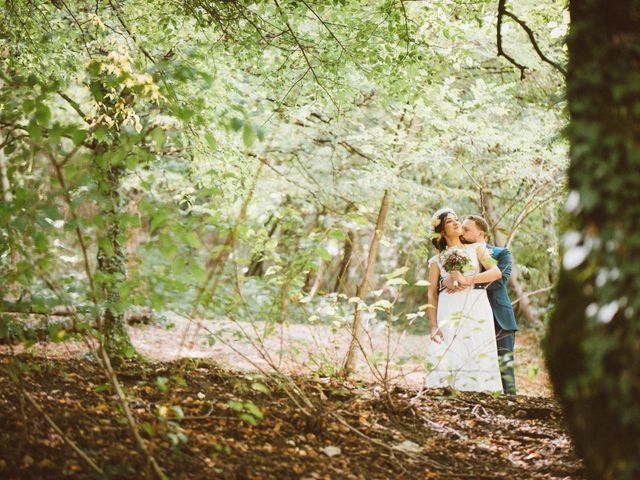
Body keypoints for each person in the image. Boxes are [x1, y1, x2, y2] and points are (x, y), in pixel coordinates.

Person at [426, 208, 503, 392]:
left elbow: (496, 272)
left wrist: (466, 280)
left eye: (456, 219)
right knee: (452, 347)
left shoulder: (477, 248)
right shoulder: (437, 260)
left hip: (476, 304)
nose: (455, 223)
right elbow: (431, 293)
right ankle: (451, 391)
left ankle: (482, 390)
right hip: (449, 306)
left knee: (477, 344)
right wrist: (433, 325)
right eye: (449, 222)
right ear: (443, 232)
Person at [441, 215, 518, 395]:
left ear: (480, 233)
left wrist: (464, 282)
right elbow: (442, 280)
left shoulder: (501, 253)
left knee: (504, 367)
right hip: (470, 316)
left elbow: (499, 281)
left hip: (499, 316)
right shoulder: (455, 252)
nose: (461, 231)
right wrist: (449, 282)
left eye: (467, 229)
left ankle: (511, 405)